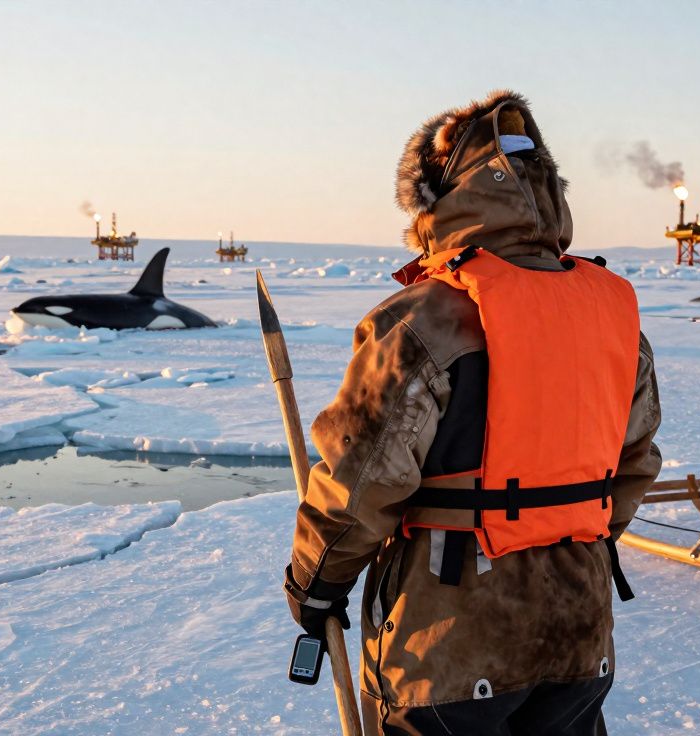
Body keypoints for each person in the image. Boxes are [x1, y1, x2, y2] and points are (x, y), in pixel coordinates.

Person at [283, 90, 662, 735]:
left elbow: (362, 481)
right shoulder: (614, 318)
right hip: (579, 635)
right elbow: (632, 466)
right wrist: (568, 542)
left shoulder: (425, 320)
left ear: (437, 201)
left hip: (452, 649)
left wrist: (315, 581)